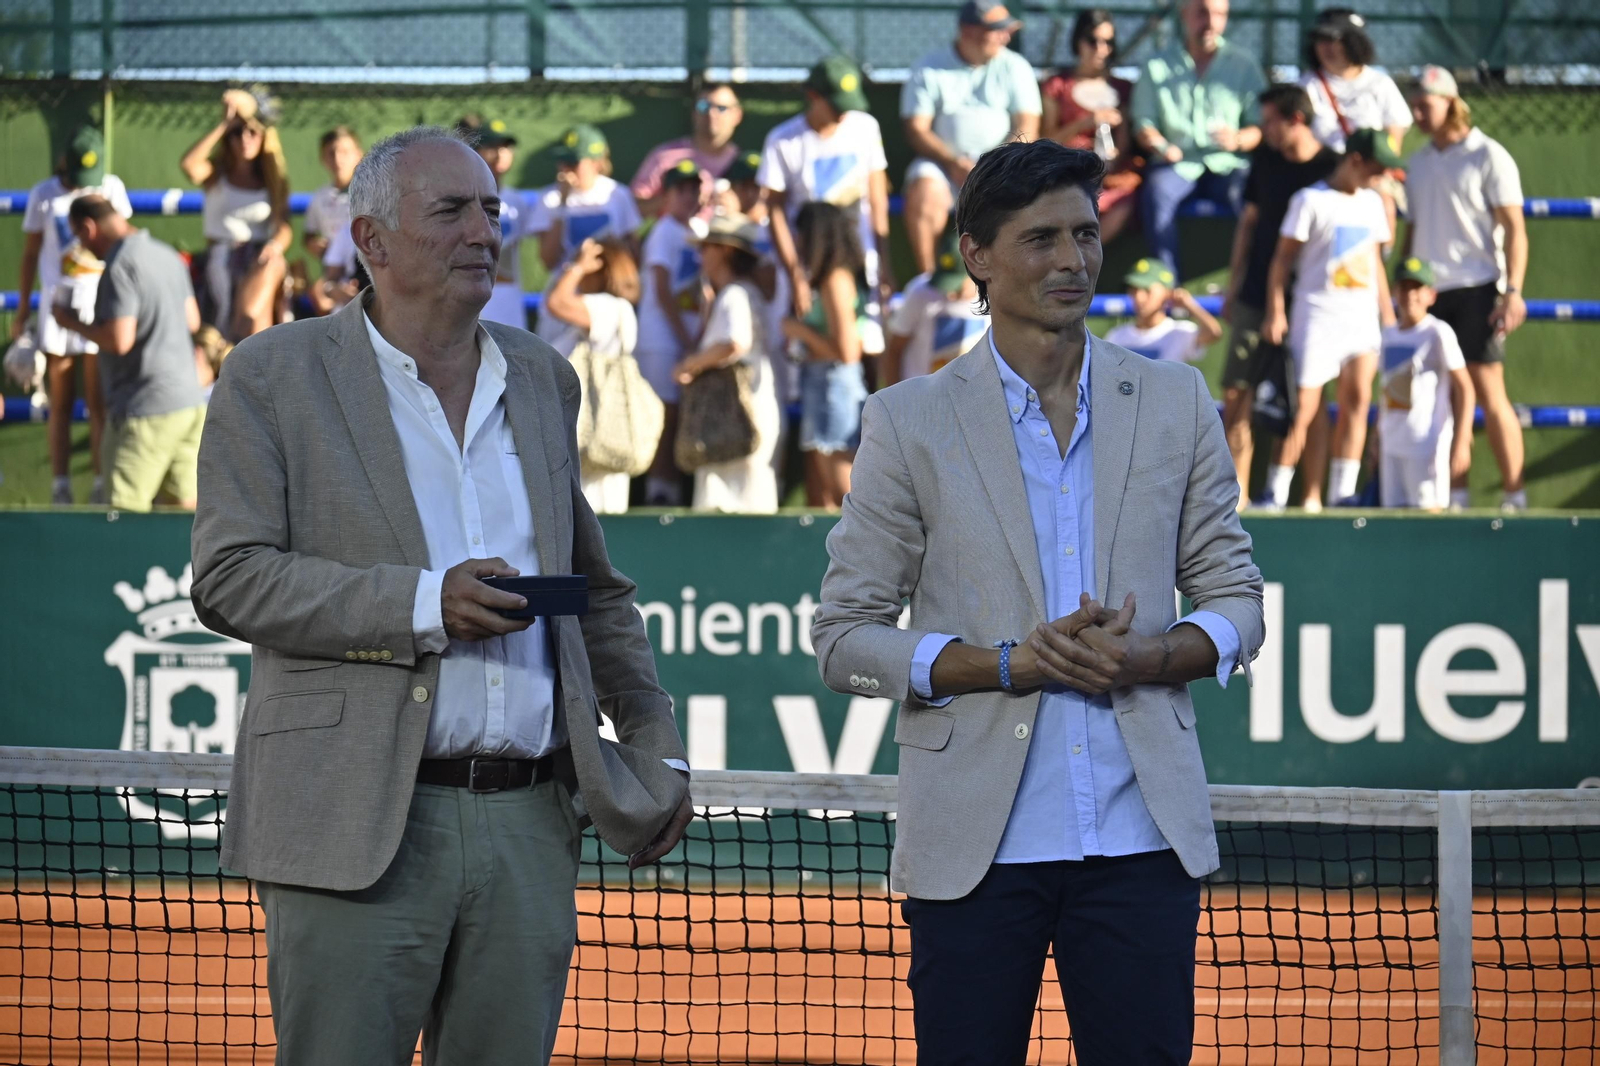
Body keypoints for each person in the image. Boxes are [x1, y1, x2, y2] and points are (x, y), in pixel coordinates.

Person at [188, 126, 691, 1066]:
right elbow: (229, 576)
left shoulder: (543, 377)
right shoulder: (272, 375)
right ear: (370, 241)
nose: (483, 232)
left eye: (492, 211)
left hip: (530, 824)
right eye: (451, 211)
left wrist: (659, 747)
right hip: (354, 824)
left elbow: (597, 594)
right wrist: (426, 605)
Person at [812, 139, 1262, 1065]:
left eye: (1086, 236)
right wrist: (1005, 665)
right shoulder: (908, 420)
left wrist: (1156, 655)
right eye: (1042, 239)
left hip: (1142, 843)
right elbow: (844, 637)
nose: (1073, 260)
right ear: (976, 254)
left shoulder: (1177, 399)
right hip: (972, 852)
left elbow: (1237, 599)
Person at [1406, 66, 1528, 512]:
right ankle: (1453, 497)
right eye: (1414, 104)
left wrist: (1512, 291)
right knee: (1438, 397)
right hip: (1428, 297)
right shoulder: (1416, 163)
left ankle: (1516, 496)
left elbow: (1515, 228)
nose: (1417, 112)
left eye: (1426, 104)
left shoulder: (1488, 156)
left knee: (1489, 392)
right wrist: (1404, 288)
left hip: (1477, 289)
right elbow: (1414, 229)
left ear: (1451, 102)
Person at [1262, 128, 1400, 511]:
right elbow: (1283, 260)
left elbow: (1374, 263)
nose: (1383, 176)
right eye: (1377, 168)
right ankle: (1276, 492)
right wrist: (1276, 310)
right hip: (1316, 317)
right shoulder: (1309, 200)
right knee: (1301, 409)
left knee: (1357, 401)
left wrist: (1387, 318)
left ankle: (1341, 494)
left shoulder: (1374, 203)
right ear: (1355, 161)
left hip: (1361, 321)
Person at [1219, 83, 1339, 506]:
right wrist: (1235, 287)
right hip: (1256, 297)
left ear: (1297, 120)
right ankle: (1238, 502)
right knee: (1237, 394)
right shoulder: (1265, 159)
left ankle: (1311, 498)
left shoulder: (1332, 166)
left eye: (1270, 120)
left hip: (1312, 303)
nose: (1263, 129)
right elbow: (1248, 225)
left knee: (1312, 397)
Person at [53, 196, 204, 513]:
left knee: (122, 518)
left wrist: (71, 323)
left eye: (79, 236)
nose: (82, 245)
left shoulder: (120, 265)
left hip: (143, 413)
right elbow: (193, 321)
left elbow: (119, 340)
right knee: (185, 519)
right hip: (190, 405)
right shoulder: (167, 255)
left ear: (88, 227)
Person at [13, 125, 133, 505]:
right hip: (59, 312)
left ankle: (100, 484)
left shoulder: (112, 187)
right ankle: (60, 486)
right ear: (64, 161)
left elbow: (123, 245)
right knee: (59, 403)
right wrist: (21, 310)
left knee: (98, 402)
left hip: (101, 308)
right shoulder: (43, 195)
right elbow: (31, 254)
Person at [901, 0, 1041, 275]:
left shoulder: (1016, 66)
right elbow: (916, 129)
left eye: (1007, 29)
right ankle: (930, 285)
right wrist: (953, 162)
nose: (1006, 36)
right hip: (943, 166)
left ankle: (1005, 283)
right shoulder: (927, 67)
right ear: (969, 31)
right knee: (924, 187)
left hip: (1001, 167)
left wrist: (990, 168)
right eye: (996, 29)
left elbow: (1028, 126)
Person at [1132, 0, 1265, 275]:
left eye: (1219, 14)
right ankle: (1166, 285)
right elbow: (1143, 125)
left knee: (1248, 192)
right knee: (1157, 193)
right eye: (1202, 12)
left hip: (1228, 164)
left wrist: (1238, 139)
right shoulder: (1156, 66)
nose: (1211, 21)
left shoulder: (1244, 65)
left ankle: (1253, 278)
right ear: (1184, 14)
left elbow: (1261, 127)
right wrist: (1162, 146)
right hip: (1177, 164)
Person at [758, 56, 893, 316]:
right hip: (809, 260)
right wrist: (796, 274)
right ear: (813, 96)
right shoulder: (781, 141)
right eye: (835, 105)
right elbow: (775, 211)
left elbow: (877, 198)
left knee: (870, 339)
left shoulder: (866, 127)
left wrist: (884, 263)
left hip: (861, 257)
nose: (843, 112)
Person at [674, 214, 782, 514]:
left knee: (730, 508)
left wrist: (689, 365)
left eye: (707, 247)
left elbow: (735, 342)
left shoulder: (735, 294)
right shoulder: (742, 293)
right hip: (747, 413)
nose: (701, 255)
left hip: (735, 418)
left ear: (726, 251)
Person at [540, 237, 645, 514]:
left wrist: (578, 267)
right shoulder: (616, 307)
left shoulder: (606, 305)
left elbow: (557, 302)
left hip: (593, 423)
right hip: (602, 425)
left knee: (591, 511)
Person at [179, 88, 292, 341]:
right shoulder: (216, 174)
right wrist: (225, 123)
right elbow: (189, 164)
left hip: (259, 257)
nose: (245, 138)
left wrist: (274, 246)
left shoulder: (273, 180)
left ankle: (252, 359)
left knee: (258, 306)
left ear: (264, 137)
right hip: (220, 256)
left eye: (252, 131)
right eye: (237, 133)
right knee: (224, 322)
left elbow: (283, 226)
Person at [785, 202, 869, 510]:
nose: (797, 240)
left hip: (834, 386)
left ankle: (865, 558)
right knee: (824, 495)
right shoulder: (833, 276)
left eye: (801, 233)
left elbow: (847, 352)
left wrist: (797, 329)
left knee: (842, 492)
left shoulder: (835, 279)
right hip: (823, 385)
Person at [634, 160, 708, 506]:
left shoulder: (696, 230)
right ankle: (657, 493)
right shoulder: (664, 231)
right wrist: (687, 338)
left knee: (678, 417)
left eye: (695, 189)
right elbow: (662, 290)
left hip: (683, 338)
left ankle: (671, 490)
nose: (690, 196)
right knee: (663, 417)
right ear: (668, 194)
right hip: (661, 340)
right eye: (682, 189)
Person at [1380, 257, 1474, 511]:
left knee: (1427, 521)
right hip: (1391, 445)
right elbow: (1386, 390)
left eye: (1417, 288)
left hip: (1426, 447)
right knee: (1394, 523)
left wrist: (1462, 439)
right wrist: (1376, 441)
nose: (1410, 295)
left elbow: (1465, 388)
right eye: (1405, 287)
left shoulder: (1438, 332)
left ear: (1431, 295)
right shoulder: (1387, 335)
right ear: (1395, 292)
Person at [1040, 9, 1139, 245]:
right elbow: (1046, 140)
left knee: (1126, 198)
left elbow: (1124, 143)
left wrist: (1114, 154)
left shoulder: (1122, 87)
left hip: (1110, 173)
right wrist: (1085, 123)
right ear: (1078, 41)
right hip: (1065, 169)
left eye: (1108, 42)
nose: (1101, 49)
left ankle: (1086, 255)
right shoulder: (1057, 85)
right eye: (1093, 41)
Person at [881, 225, 986, 386]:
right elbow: (895, 350)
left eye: (957, 287)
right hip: (921, 398)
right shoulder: (920, 292)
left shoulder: (994, 295)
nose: (949, 294)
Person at [1297, 9, 1409, 155]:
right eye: (1319, 39)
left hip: (1364, 172)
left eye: (1333, 38)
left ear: (1354, 42)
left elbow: (1393, 139)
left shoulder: (1380, 83)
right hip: (1321, 172)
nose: (1326, 47)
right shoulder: (1305, 85)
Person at [532, 124, 642, 272]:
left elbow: (634, 253)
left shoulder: (618, 194)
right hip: (568, 291)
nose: (565, 169)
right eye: (562, 161)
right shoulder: (549, 198)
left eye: (573, 162)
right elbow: (548, 261)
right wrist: (562, 202)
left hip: (608, 290)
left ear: (597, 163)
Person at [461, 118, 534, 328]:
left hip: (509, 304)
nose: (500, 154)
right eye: (492, 147)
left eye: (505, 147)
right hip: (472, 304)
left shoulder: (517, 201)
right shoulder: (461, 198)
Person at [631, 85, 743, 221]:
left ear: (737, 115)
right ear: (694, 113)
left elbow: (765, 214)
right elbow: (633, 206)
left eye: (721, 108)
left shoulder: (744, 163)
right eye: (704, 106)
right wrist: (673, 201)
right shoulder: (665, 156)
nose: (712, 114)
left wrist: (738, 210)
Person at [1105, 258, 1221, 362]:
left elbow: (1213, 333)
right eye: (1134, 290)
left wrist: (1189, 304)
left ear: (1167, 293)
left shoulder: (1179, 331)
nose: (1139, 298)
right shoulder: (1117, 336)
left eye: (1147, 290)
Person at [304, 126, 363, 263]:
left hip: (364, 270)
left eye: (345, 152)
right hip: (333, 270)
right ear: (322, 158)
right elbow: (308, 235)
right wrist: (314, 244)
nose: (337, 159)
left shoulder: (372, 194)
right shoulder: (320, 196)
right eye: (331, 153)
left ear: (359, 155)